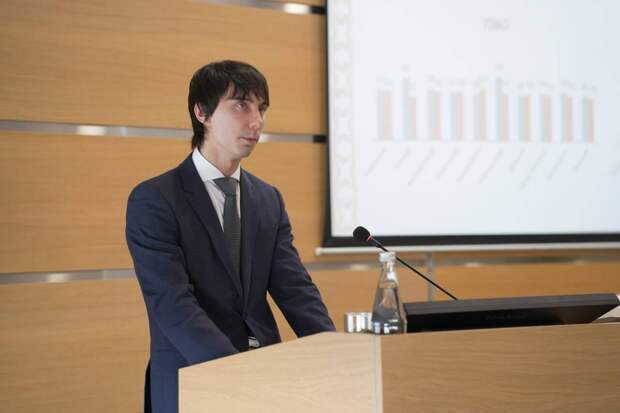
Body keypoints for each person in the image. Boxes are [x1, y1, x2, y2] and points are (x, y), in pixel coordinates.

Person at [126, 60, 335, 413]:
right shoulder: (155, 199)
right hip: (192, 379)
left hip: (265, 381)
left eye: (261, 108)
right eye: (241, 105)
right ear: (202, 113)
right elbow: (172, 303)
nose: (257, 121)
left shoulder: (268, 198)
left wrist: (335, 353)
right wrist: (236, 373)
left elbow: (296, 290)